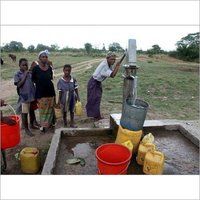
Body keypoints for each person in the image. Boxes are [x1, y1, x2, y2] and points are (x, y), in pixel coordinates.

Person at [86, 52, 124, 121]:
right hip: (94, 82)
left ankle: (96, 115)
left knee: (96, 99)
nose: (113, 61)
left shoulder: (108, 64)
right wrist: (117, 66)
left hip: (97, 82)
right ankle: (96, 116)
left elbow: (111, 72)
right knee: (94, 99)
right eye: (112, 59)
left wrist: (116, 66)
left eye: (114, 59)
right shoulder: (104, 65)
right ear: (107, 58)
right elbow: (112, 75)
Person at [32, 50, 56, 133]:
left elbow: (50, 78)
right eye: (43, 56)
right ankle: (43, 127)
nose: (45, 58)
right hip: (41, 94)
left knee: (50, 110)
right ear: (39, 58)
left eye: (46, 57)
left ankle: (50, 125)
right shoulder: (35, 69)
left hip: (50, 92)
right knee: (43, 111)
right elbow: (33, 80)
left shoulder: (49, 68)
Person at [14, 58, 36, 136]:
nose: (25, 66)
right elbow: (19, 85)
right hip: (24, 97)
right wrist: (25, 75)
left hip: (31, 96)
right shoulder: (17, 74)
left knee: (32, 111)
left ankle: (32, 124)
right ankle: (26, 129)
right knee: (24, 113)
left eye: (26, 65)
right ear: (19, 65)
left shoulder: (30, 73)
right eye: (23, 65)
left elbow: (33, 82)